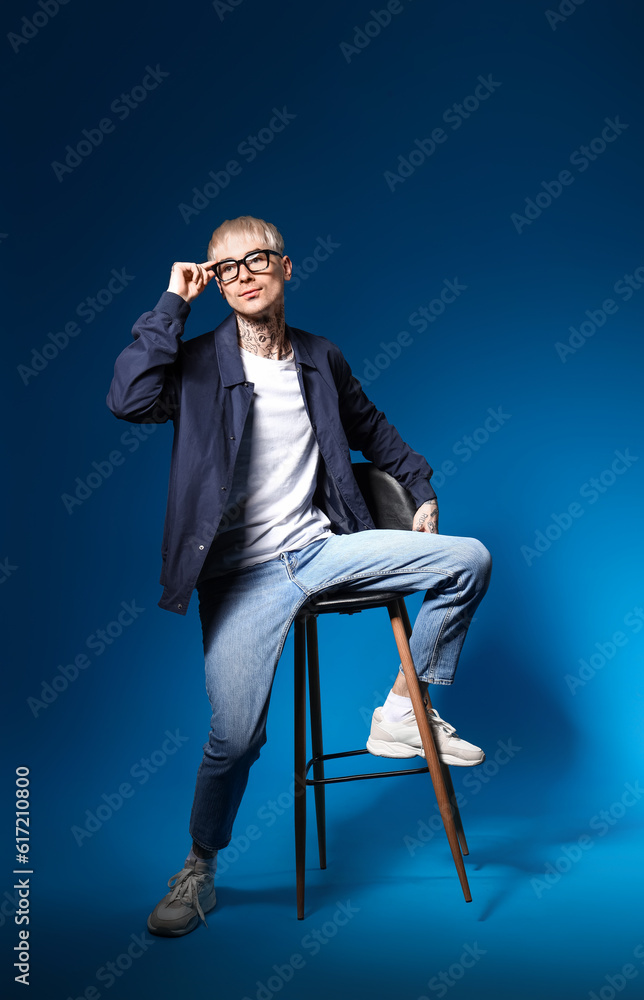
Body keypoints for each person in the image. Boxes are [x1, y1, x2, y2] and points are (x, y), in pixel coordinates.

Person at [106, 214, 492, 938]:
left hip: (321, 550)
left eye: (257, 260)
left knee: (467, 557)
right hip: (239, 578)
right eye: (226, 268)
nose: (243, 274)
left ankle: (403, 711)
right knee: (235, 739)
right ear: (215, 284)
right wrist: (169, 305)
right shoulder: (194, 363)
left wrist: (421, 485)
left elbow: (370, 428)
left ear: (286, 267)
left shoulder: (320, 358)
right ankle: (198, 868)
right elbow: (127, 400)